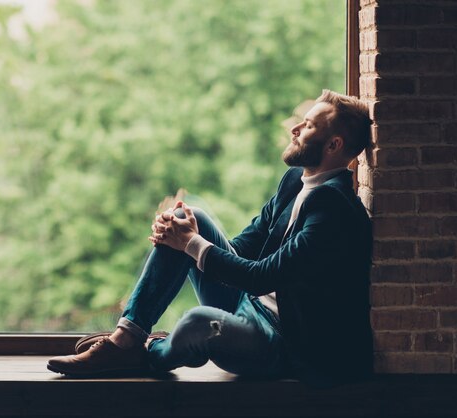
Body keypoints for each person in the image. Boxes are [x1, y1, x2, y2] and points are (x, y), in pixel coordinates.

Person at [47, 90, 374, 387]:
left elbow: (263, 277)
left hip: (278, 342)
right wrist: (183, 235)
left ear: (334, 145)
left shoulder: (334, 210)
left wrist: (189, 244)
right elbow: (246, 247)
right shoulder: (295, 182)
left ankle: (151, 353)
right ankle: (125, 340)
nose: (295, 129)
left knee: (197, 324)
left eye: (309, 126)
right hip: (248, 304)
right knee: (188, 217)